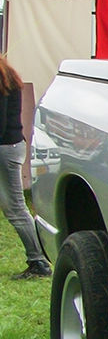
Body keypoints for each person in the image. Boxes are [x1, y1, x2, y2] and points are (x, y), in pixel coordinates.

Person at [0, 55, 50, 280]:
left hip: (5, 148)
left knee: (16, 209)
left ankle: (39, 261)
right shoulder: (8, 73)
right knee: (15, 208)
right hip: (11, 146)